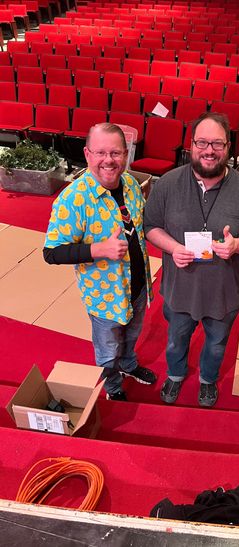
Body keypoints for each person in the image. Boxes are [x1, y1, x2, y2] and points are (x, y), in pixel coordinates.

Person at [144, 112, 239, 407]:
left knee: (216, 345)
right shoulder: (168, 184)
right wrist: (173, 248)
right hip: (179, 289)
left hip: (221, 294)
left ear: (228, 147)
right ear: (191, 145)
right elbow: (151, 226)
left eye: (217, 143)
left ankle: (207, 380)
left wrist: (238, 244)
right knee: (175, 341)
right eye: (202, 142)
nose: (209, 150)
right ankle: (175, 375)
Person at [43, 123, 157, 401]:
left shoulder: (130, 184)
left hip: (138, 284)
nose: (109, 160)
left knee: (132, 335)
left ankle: (129, 365)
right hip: (104, 295)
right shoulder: (73, 199)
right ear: (87, 153)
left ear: (126, 154)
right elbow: (51, 252)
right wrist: (97, 249)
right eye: (101, 152)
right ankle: (113, 385)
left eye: (116, 153)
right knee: (107, 349)